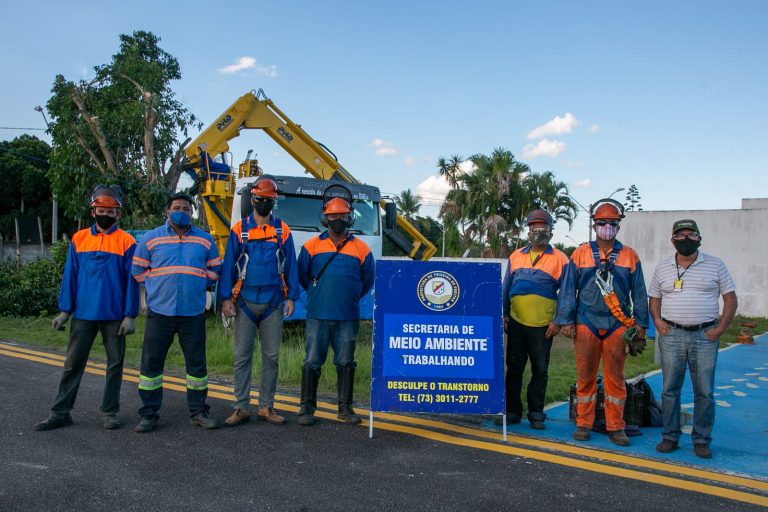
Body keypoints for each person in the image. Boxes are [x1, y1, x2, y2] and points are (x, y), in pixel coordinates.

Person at [35, 185, 138, 431]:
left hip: (114, 316)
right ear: (93, 211)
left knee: (114, 365)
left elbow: (133, 282)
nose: (105, 214)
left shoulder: (127, 241)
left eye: (110, 211)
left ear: (118, 214)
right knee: (73, 363)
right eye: (101, 209)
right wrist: (64, 311)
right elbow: (70, 276)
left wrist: (130, 315)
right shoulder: (79, 239)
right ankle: (60, 412)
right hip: (82, 314)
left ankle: (110, 412)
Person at [556, 199, 648, 446]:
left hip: (617, 325)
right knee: (585, 376)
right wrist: (565, 320)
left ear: (618, 226)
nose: (607, 227)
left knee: (615, 378)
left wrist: (641, 325)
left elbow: (639, 292)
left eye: (612, 223)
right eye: (602, 223)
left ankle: (615, 426)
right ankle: (584, 424)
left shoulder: (629, 256)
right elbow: (568, 289)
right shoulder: (580, 253)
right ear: (594, 225)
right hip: (586, 321)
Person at [131, 192, 222, 433]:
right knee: (151, 366)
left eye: (186, 208)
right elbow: (138, 270)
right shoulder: (151, 239)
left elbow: (214, 270)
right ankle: (148, 414)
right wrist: (155, 285)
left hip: (192, 312)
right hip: (160, 312)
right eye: (177, 207)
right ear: (167, 211)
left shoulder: (204, 240)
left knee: (196, 366)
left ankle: (198, 412)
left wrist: (197, 284)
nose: (181, 211)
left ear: (192, 212)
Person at [648, 219, 737, 459]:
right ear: (672, 240)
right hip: (672, 335)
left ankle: (701, 440)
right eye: (681, 235)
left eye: (691, 235)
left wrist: (720, 329)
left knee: (704, 391)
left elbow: (730, 298)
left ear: (699, 238)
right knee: (669, 390)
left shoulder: (715, 265)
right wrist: (657, 321)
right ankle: (670, 437)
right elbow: (654, 297)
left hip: (705, 335)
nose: (686, 239)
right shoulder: (663, 267)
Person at [219, 176, 300, 427]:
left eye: (269, 200)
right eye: (260, 199)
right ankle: (241, 407)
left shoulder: (282, 230)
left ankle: (266, 406)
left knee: (271, 357)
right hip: (244, 302)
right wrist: (225, 299)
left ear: (274, 202)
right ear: (252, 200)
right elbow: (228, 266)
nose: (264, 203)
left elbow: (291, 266)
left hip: (273, 302)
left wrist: (291, 297)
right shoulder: (238, 229)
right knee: (242, 356)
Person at [296, 186, 374, 426]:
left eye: (342, 216)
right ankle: (306, 409)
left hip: (347, 316)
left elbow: (367, 281)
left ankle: (345, 409)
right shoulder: (311, 246)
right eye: (333, 216)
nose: (338, 220)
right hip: (318, 314)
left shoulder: (362, 248)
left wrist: (349, 297)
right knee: (312, 361)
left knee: (346, 362)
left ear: (349, 217)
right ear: (325, 218)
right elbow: (303, 277)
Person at [498, 209, 569, 430]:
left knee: (540, 370)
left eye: (543, 227)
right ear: (528, 230)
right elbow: (506, 287)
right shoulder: (516, 255)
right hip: (517, 324)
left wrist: (558, 321)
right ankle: (512, 411)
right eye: (534, 227)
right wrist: (504, 313)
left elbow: (566, 293)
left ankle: (536, 413)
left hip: (543, 326)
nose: (538, 231)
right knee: (514, 368)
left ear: (550, 231)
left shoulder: (561, 259)